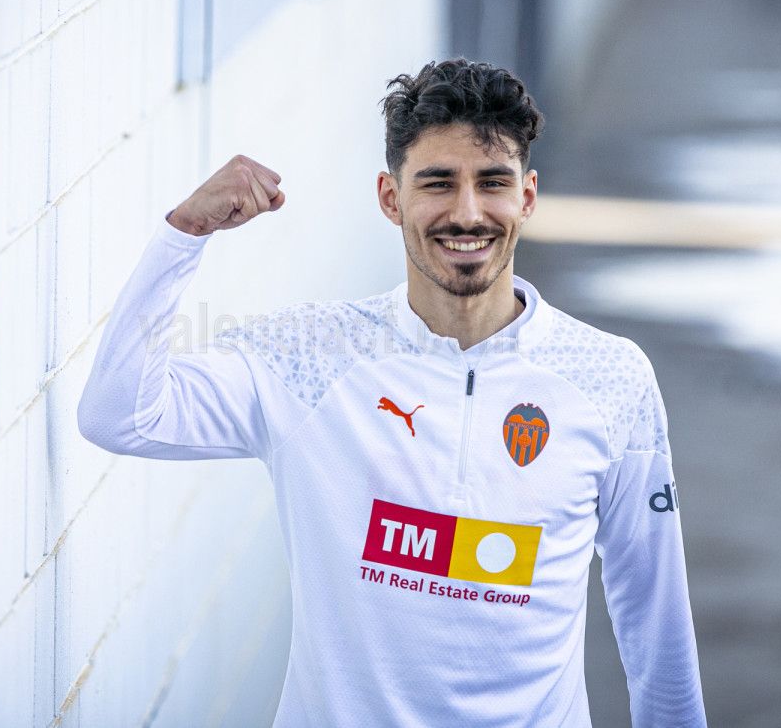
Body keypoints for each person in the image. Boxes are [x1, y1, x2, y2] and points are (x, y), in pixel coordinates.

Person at [76, 58, 706, 727]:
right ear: (390, 196)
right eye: (437, 182)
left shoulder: (609, 375)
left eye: (492, 182)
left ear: (526, 195)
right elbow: (120, 413)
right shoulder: (309, 359)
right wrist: (185, 235)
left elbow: (655, 619)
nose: (467, 212)